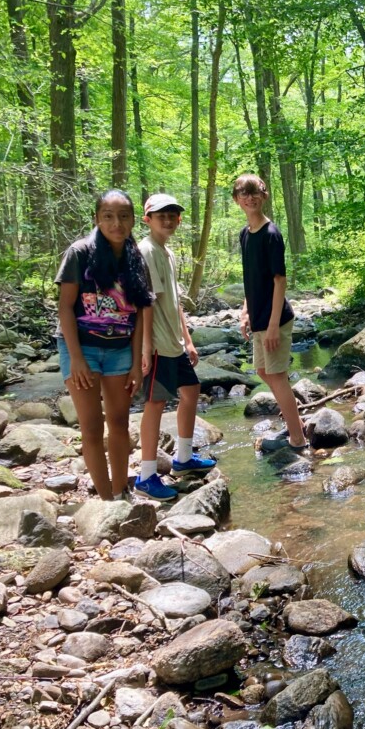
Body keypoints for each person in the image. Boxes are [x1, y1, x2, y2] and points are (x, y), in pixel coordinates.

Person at [55, 189, 153, 501]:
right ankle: (105, 500)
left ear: (133, 219)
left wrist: (138, 362)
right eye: (108, 216)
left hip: (120, 350)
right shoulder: (79, 253)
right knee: (92, 427)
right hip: (80, 348)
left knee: (120, 423)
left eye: (124, 216)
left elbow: (138, 314)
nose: (116, 223)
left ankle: (121, 488)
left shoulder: (136, 257)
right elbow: (65, 308)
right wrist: (77, 359)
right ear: (97, 219)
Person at [135, 194, 217, 501]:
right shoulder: (146, 251)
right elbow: (147, 303)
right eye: (161, 216)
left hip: (174, 343)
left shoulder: (166, 252)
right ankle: (145, 476)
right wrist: (145, 350)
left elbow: (175, 302)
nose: (167, 221)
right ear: (148, 220)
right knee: (154, 405)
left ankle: (182, 460)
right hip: (156, 345)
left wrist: (189, 340)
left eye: (172, 216)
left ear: (178, 220)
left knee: (191, 390)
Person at [234, 174, 309, 452]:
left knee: (276, 376)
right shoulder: (244, 234)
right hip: (258, 318)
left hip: (275, 318)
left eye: (255, 193)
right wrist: (245, 312)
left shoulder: (271, 234)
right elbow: (250, 278)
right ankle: (295, 425)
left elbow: (280, 280)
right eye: (244, 193)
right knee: (263, 371)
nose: (250, 198)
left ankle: (298, 438)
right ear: (236, 199)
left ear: (264, 196)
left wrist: (274, 325)